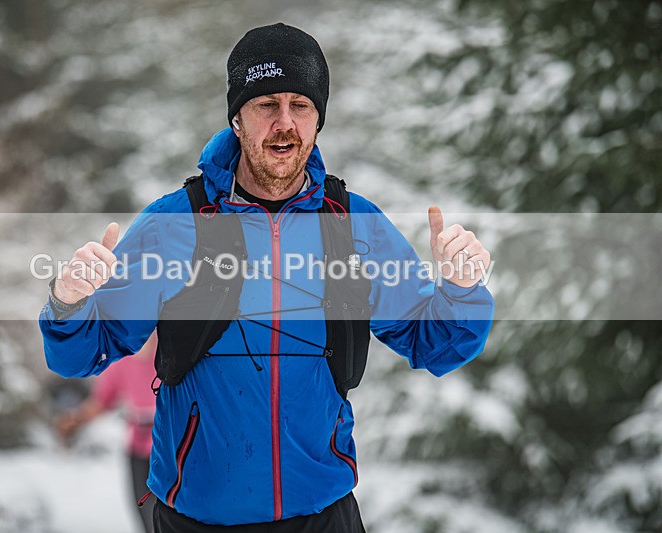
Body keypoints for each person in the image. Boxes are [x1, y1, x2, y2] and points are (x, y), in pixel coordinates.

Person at [40, 23, 495, 532]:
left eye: (300, 105)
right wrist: (69, 303)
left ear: (318, 119)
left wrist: (460, 291)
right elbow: (82, 354)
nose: (284, 122)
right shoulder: (176, 225)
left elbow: (434, 344)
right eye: (265, 105)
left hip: (323, 516)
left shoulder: (353, 225)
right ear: (237, 118)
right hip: (197, 520)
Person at [55, 331, 157, 533]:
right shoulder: (122, 362)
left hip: (171, 447)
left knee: (167, 510)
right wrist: (76, 419)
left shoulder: (170, 356)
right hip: (138, 446)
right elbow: (101, 400)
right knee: (142, 506)